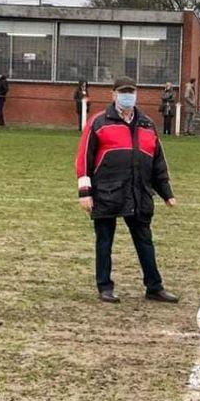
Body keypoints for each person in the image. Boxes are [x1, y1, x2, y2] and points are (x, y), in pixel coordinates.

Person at [75, 76, 179, 304]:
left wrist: (167, 193)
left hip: (138, 192)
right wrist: (85, 192)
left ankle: (154, 287)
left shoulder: (147, 124)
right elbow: (84, 157)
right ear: (113, 95)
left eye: (131, 91)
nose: (127, 96)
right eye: (122, 91)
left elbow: (157, 161)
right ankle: (105, 286)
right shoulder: (99, 122)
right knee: (104, 241)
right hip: (106, 192)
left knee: (145, 241)